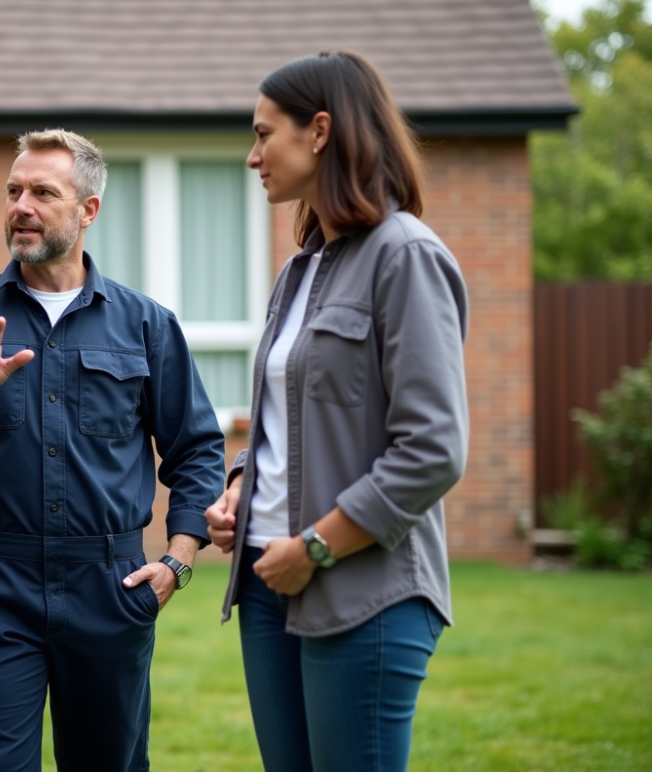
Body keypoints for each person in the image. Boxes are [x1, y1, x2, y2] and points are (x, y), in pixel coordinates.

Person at [0, 129, 225, 772]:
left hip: (110, 581)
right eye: (13, 191)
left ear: (87, 210)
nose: (21, 206)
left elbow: (197, 450)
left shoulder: (146, 324)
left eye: (42, 192)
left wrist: (176, 563)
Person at [204, 51, 469, 772]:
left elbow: (434, 447)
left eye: (265, 134)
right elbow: (288, 414)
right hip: (266, 584)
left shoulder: (405, 256)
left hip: (363, 593)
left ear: (319, 131)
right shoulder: (300, 270)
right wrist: (239, 485)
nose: (253, 155)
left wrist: (316, 546)